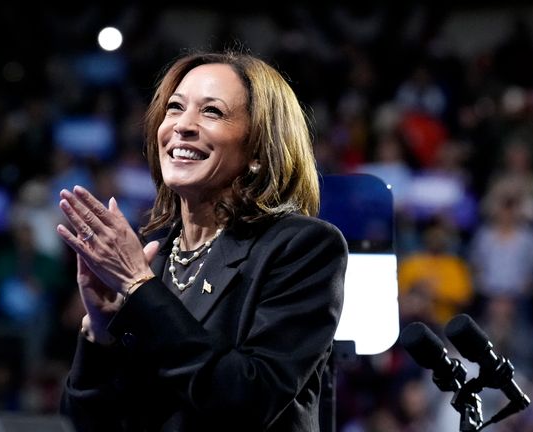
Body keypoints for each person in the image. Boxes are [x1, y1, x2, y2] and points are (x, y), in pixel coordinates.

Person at [55, 49, 348, 431]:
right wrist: (100, 331)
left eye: (211, 112)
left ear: (259, 150)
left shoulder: (301, 248)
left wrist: (139, 288)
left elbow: (247, 401)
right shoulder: (153, 259)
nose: (182, 125)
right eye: (175, 108)